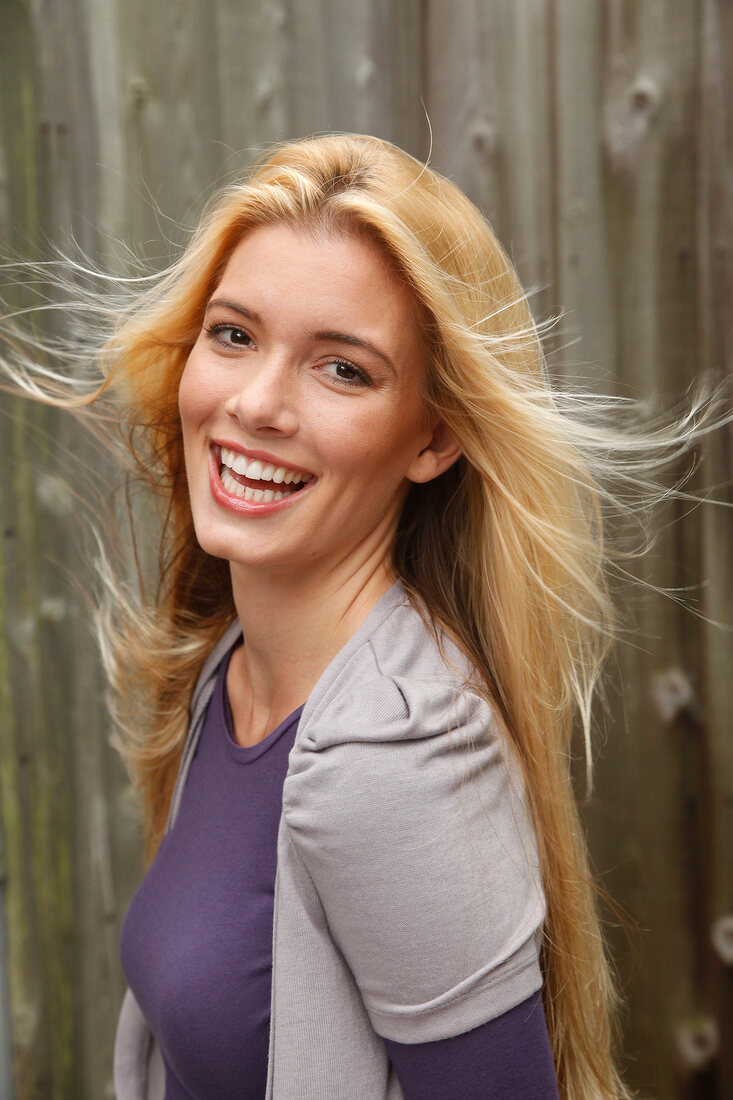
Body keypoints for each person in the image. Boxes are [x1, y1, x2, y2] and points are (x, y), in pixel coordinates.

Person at [5, 132, 707, 1099]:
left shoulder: (396, 756)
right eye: (234, 334)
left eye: (342, 370)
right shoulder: (232, 667)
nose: (255, 404)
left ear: (435, 436)